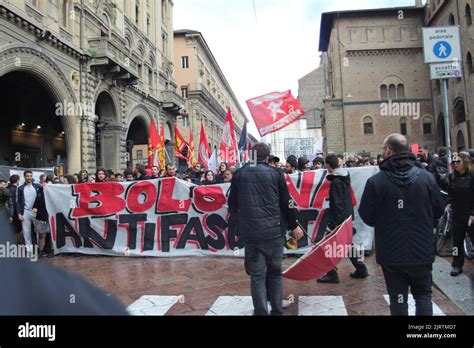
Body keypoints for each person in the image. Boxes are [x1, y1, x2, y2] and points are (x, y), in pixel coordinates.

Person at [359, 134, 444, 316]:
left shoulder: (376, 182)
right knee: (423, 296)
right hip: (421, 250)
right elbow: (438, 210)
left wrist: (385, 221)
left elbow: (366, 215)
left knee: (398, 298)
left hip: (392, 253)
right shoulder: (427, 178)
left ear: (389, 150)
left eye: (383, 150)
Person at [228, 143, 303, 316]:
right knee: (275, 274)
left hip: (252, 233)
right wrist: (293, 225)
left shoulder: (239, 174)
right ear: (267, 156)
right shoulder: (277, 173)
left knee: (257, 276)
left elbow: (232, 206)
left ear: (250, 155)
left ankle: (261, 312)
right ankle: (276, 311)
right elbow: (286, 203)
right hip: (274, 233)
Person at [317, 155, 369, 284]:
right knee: (347, 245)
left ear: (328, 165)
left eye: (325, 164)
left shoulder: (336, 182)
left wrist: (332, 224)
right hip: (346, 217)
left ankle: (332, 274)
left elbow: (337, 205)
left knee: (329, 246)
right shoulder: (343, 178)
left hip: (339, 220)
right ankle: (361, 269)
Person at [447, 152, 474, 276]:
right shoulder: (451, 177)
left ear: (465, 162)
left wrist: (472, 213)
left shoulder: (472, 177)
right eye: (454, 162)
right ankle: (457, 264)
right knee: (457, 241)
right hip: (457, 214)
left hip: (470, 214)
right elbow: (450, 192)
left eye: (458, 161)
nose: (456, 164)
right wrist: (449, 203)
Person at [16, 171, 43, 255]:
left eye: (30, 176)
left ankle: (37, 250)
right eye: (27, 176)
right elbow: (18, 202)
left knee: (38, 232)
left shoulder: (38, 186)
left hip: (36, 212)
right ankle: (29, 250)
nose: (29, 177)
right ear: (24, 177)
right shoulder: (20, 188)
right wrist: (19, 213)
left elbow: (42, 198)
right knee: (26, 232)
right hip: (25, 212)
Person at [32, 180, 51, 258]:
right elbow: (35, 205)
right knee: (41, 236)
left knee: (51, 236)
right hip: (41, 217)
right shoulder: (40, 194)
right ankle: (41, 251)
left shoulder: (54, 195)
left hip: (51, 218)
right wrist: (35, 208)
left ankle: (50, 250)